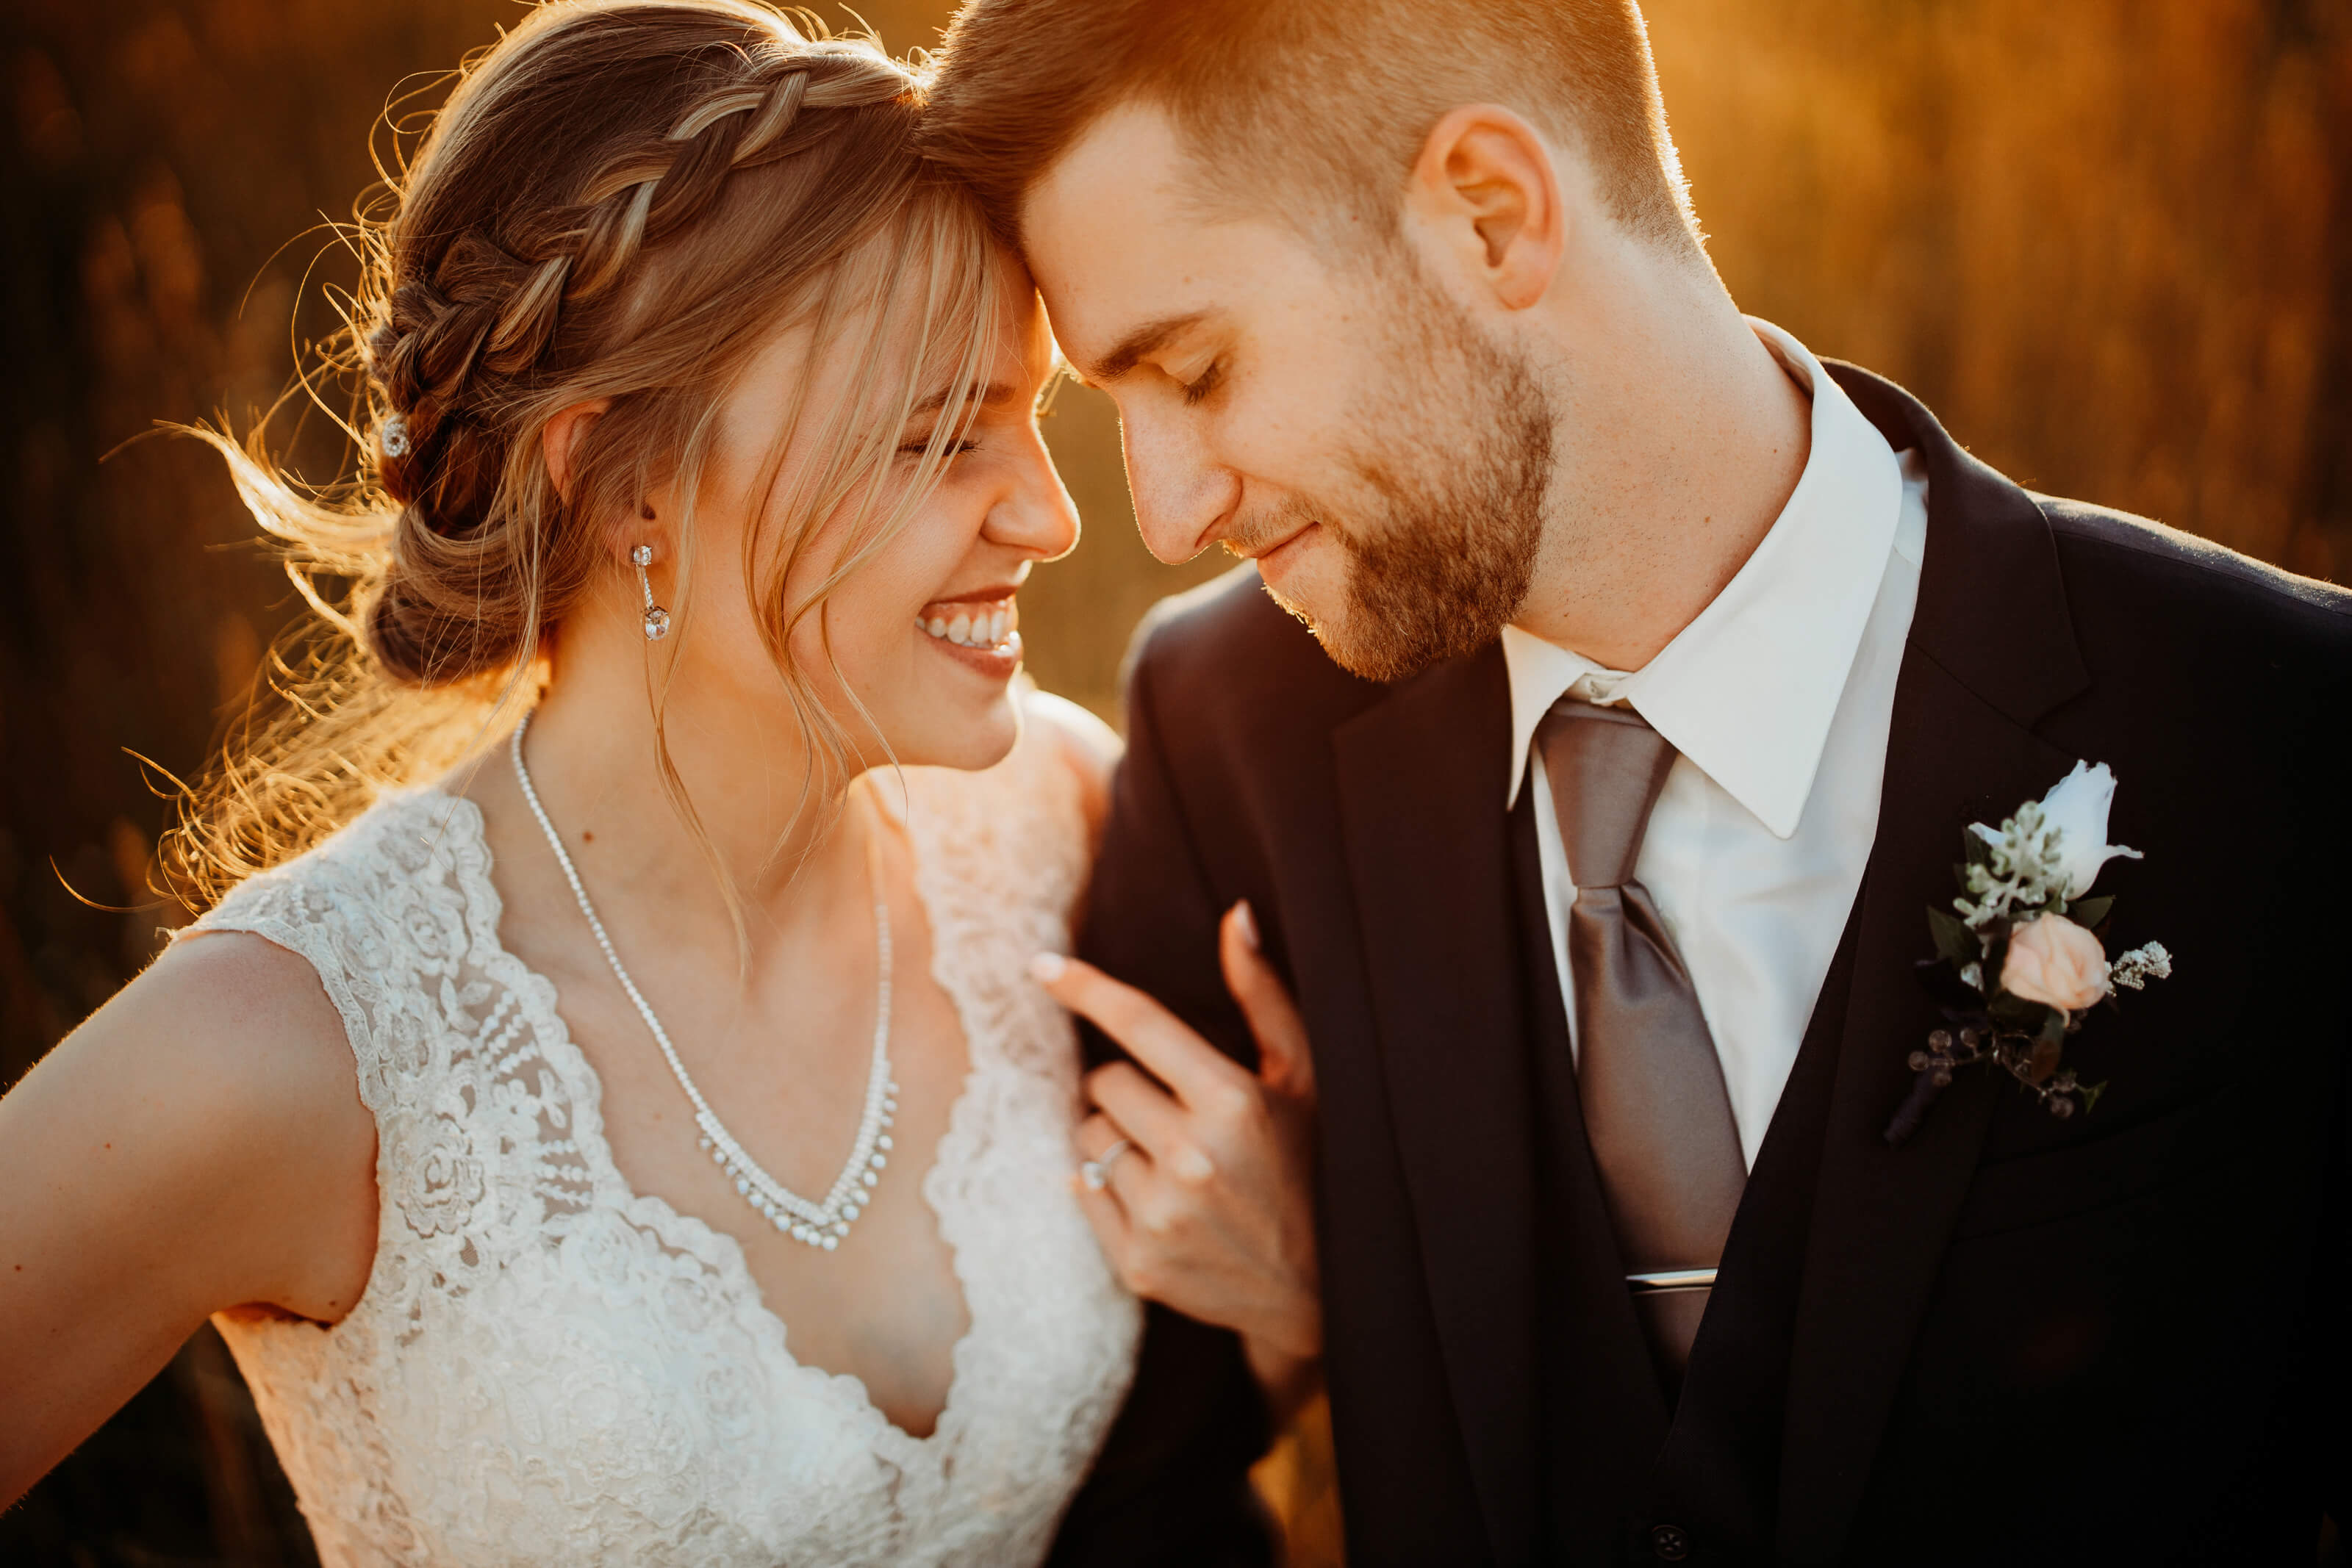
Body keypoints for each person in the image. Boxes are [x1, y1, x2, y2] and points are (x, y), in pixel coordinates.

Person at [922, 1, 2352, 1563]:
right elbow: (1134, 1499)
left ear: (1491, 213)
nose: (1168, 510)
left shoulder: (2279, 730)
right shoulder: (1228, 741)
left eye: (1193, 370)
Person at [0, 3, 1286, 1561]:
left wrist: (1303, 1285)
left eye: (1030, 416)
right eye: (939, 437)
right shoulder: (301, 1042)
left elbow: (1177, 1474)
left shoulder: (1064, 825)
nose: (1049, 514)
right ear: (622, 477)